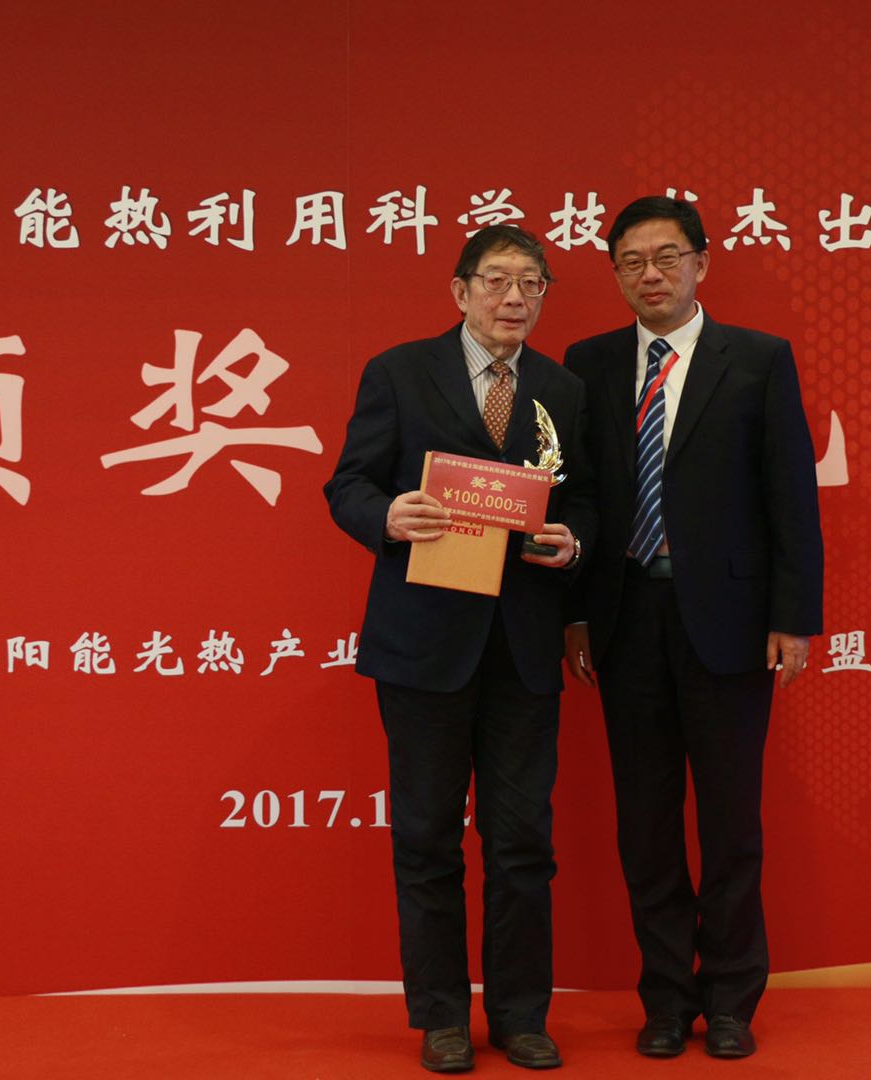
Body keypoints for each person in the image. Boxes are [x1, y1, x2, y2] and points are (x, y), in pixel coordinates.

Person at [325, 224, 596, 1073]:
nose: (514, 298)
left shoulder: (562, 389)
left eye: (531, 283)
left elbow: (587, 501)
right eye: (496, 280)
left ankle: (520, 1016)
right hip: (424, 646)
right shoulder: (400, 372)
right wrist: (385, 516)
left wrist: (574, 543)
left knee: (523, 845)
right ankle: (441, 1016)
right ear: (460, 290)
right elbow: (347, 483)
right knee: (427, 839)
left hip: (523, 648)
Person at [562, 196, 823, 1060]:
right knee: (646, 824)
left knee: (730, 822)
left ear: (702, 263)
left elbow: (791, 496)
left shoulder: (758, 360)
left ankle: (733, 997)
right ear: (615, 274)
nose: (652, 274)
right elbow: (580, 497)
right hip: (626, 616)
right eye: (632, 261)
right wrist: (575, 612)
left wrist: (793, 618)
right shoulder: (590, 364)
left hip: (731, 623)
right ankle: (667, 998)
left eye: (667, 257)